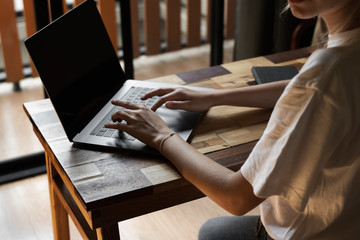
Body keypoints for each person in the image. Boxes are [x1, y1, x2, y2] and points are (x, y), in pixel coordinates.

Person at [105, 0, 360, 239]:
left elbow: (235, 197)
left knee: (212, 231)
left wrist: (161, 136)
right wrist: (216, 96)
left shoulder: (326, 74)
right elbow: (306, 88)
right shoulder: (340, 60)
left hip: (314, 232)